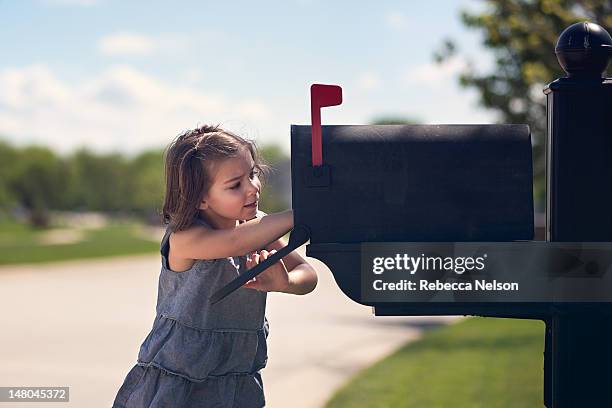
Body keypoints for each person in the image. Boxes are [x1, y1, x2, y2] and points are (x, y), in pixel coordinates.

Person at [112, 124, 318, 407]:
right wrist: (305, 214)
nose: (252, 188)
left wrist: (285, 283)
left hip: (237, 382)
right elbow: (234, 242)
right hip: (179, 387)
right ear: (200, 197)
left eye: (253, 174)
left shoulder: (256, 227)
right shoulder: (185, 238)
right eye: (235, 185)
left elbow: (307, 275)